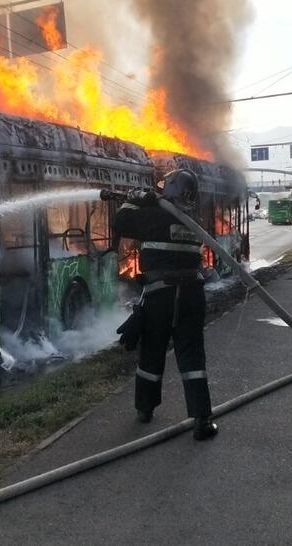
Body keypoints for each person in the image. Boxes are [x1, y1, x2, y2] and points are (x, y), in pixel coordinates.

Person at [111, 170, 218, 441]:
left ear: (170, 189)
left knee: (151, 351)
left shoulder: (154, 216)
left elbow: (120, 222)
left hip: (160, 296)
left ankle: (145, 410)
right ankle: (202, 420)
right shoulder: (193, 221)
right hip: (192, 296)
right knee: (192, 355)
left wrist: (134, 200)